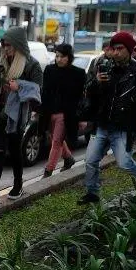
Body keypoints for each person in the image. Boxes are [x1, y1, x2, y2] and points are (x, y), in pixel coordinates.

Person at [78, 31, 136, 205]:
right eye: (113, 49)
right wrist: (96, 82)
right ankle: (92, 193)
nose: (115, 53)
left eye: (120, 49)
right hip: (102, 124)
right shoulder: (104, 66)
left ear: (130, 49)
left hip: (123, 127)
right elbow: (89, 94)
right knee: (91, 161)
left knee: (125, 163)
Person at [0, 21, 43, 211]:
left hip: (15, 116)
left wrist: (20, 86)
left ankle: (18, 185)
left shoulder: (32, 64)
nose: (5, 48)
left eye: (9, 45)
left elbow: (39, 90)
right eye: (4, 44)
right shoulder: (2, 57)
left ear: (18, 44)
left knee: (15, 152)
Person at [40, 43, 85, 178]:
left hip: (65, 114)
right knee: (54, 138)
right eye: (57, 56)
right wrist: (39, 109)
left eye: (62, 56)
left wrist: (81, 117)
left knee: (56, 142)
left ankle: (48, 172)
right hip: (49, 111)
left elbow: (81, 97)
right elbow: (45, 92)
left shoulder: (78, 73)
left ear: (69, 57)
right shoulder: (49, 69)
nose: (59, 59)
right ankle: (68, 158)